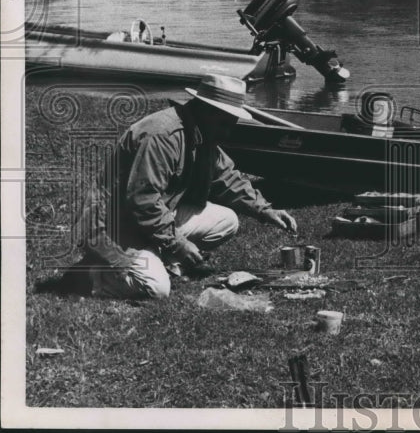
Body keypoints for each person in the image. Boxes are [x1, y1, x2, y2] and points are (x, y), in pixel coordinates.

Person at [75, 73, 297, 299]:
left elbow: (228, 178)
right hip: (113, 226)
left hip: (143, 219)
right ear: (205, 110)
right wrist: (178, 244)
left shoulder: (202, 133)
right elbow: (142, 201)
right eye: (224, 124)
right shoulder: (161, 135)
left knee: (226, 221)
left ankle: (158, 259)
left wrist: (265, 210)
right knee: (156, 288)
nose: (227, 132)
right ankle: (94, 276)